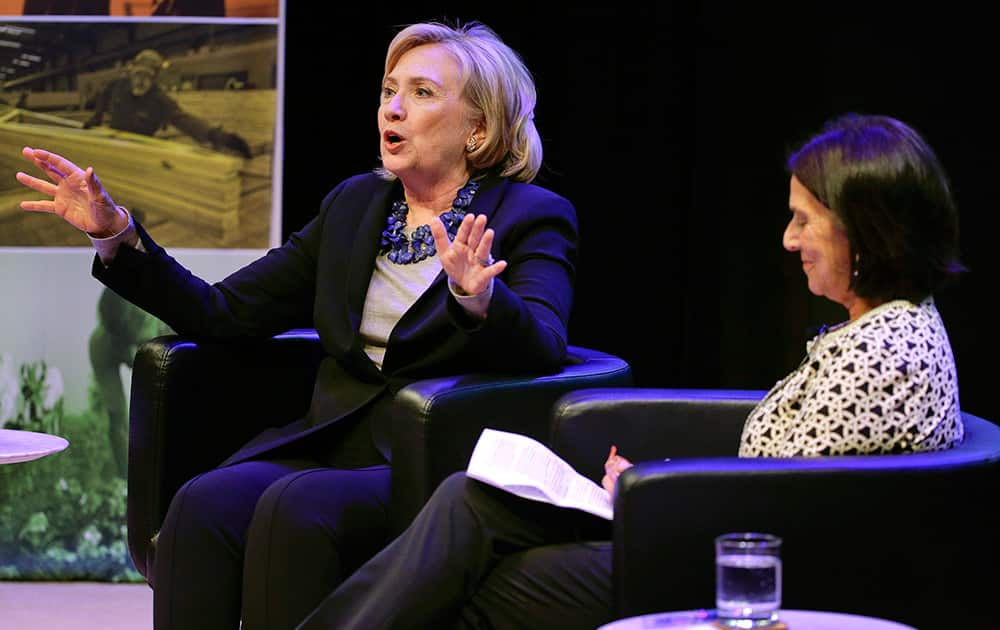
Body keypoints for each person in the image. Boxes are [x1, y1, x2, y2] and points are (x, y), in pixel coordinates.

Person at [293, 113, 967, 630]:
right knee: (470, 502)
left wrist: (652, 492)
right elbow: (783, 472)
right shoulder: (884, 327)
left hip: (729, 566)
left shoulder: (885, 353)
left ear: (866, 230)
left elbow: (793, 506)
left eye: (803, 221)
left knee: (471, 579)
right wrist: (647, 485)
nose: (789, 240)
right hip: (703, 530)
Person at [15, 20, 577, 630]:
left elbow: (545, 346)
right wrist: (115, 234)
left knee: (295, 508)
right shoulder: (354, 205)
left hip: (433, 462)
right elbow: (224, 311)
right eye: (389, 90)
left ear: (479, 128)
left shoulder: (529, 215)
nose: (393, 107)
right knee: (202, 501)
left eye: (421, 93)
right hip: (329, 443)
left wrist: (479, 300)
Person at [83, 48, 252, 158]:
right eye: (138, 75)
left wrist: (216, 136)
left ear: (155, 77)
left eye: (147, 76)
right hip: (114, 146)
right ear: (131, 73)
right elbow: (103, 96)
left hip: (140, 151)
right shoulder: (117, 86)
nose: (141, 81)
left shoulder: (159, 100)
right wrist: (96, 117)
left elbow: (184, 120)